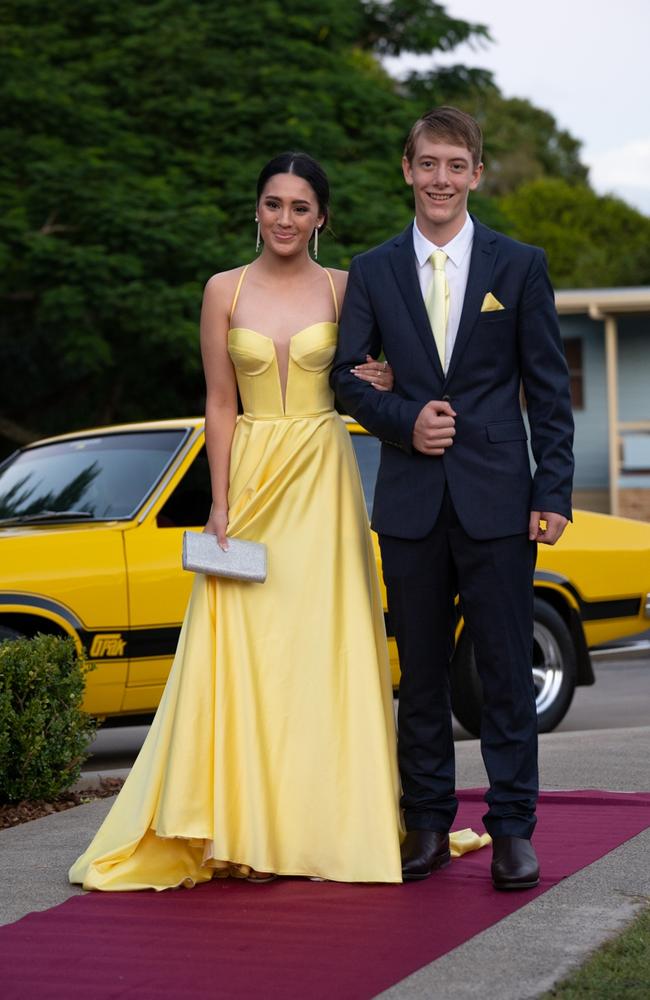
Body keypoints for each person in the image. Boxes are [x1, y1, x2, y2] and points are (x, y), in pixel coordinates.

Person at [69, 152, 406, 889]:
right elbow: (219, 403)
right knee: (247, 648)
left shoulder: (350, 288)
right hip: (252, 475)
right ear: (256, 210)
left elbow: (371, 377)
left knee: (323, 645)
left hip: (323, 474)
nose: (285, 219)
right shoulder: (224, 289)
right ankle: (242, 829)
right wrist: (219, 500)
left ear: (322, 218)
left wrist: (381, 377)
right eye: (272, 204)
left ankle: (330, 824)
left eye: (300, 207)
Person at [331, 107, 574, 890]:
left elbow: (548, 389)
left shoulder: (519, 265)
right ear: (407, 169)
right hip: (408, 503)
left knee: (503, 670)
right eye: (426, 164)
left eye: (454, 165)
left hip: (500, 500)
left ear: (475, 172)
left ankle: (512, 830)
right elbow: (342, 376)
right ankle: (428, 824)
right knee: (423, 674)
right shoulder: (370, 270)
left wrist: (555, 491)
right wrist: (404, 421)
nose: (440, 179)